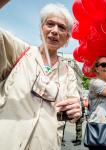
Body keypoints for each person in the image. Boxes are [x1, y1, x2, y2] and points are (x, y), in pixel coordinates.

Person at [0, 3, 81, 150]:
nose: (55, 31)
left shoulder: (68, 72)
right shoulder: (20, 52)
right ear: (41, 28)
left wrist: (75, 110)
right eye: (50, 24)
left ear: (67, 38)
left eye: (61, 27)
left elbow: (74, 111)